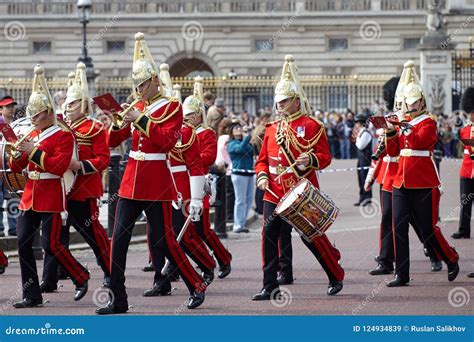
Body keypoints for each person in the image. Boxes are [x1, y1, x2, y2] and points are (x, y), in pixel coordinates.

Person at [96, 33, 207, 314]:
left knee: (165, 240)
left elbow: (168, 141)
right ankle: (117, 298)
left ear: (155, 81)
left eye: (143, 83)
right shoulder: (137, 107)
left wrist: (141, 119)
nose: (139, 89)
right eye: (136, 85)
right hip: (132, 179)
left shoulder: (170, 106)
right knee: (117, 240)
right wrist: (116, 120)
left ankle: (195, 284)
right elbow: (111, 141)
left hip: (157, 180)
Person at [252, 55, 344, 300]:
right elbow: (262, 160)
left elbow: (325, 156)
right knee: (268, 237)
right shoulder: (271, 129)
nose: (279, 106)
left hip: (300, 191)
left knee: (310, 236)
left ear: (295, 101)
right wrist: (261, 177)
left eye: (284, 102)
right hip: (273, 191)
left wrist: (310, 160)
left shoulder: (311, 126)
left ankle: (335, 273)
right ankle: (269, 284)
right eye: (278, 102)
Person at [11, 65, 90, 308]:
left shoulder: (63, 135)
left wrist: (32, 152)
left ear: (47, 113)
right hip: (30, 195)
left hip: (52, 194)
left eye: (36, 115)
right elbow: (17, 168)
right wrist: (16, 154)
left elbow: (57, 167)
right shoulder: (33, 135)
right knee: (23, 242)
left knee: (52, 244)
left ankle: (80, 276)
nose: (32, 120)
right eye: (31, 116)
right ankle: (32, 294)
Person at [385, 60, 459, 287]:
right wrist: (389, 133)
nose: (411, 105)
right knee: (398, 226)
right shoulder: (402, 122)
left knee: (428, 229)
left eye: (414, 102)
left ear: (421, 102)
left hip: (423, 182)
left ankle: (450, 257)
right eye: (409, 102)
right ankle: (402, 273)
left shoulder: (428, 122)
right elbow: (393, 151)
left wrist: (403, 127)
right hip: (401, 181)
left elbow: (422, 142)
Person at [40, 62, 111, 293]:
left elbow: (103, 159)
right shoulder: (60, 127)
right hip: (59, 189)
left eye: (72, 104)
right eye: (66, 104)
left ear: (82, 105)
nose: (67, 108)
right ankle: (50, 279)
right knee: (54, 237)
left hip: (83, 189)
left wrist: (79, 165)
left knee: (93, 235)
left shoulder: (95, 128)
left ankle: (111, 272)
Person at [155, 76, 216, 289]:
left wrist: (195, 196)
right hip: (163, 184)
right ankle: (164, 278)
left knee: (184, 235)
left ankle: (207, 265)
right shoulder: (157, 127)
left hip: (182, 186)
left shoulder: (187, 133)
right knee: (162, 235)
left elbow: (196, 164)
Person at [184, 80, 233, 279]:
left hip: (199, 181)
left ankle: (222, 258)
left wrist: (188, 159)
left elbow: (209, 157)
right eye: (184, 115)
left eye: (189, 115)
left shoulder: (206, 133)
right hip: (182, 182)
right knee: (184, 230)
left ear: (198, 115)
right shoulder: (183, 132)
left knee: (202, 228)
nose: (186, 119)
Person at [452, 86, 474, 241]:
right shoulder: (464, 130)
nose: (472, 114)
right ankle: (464, 229)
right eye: (471, 112)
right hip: (466, 171)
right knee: (465, 202)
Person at [228, 122, 255, 233]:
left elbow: (252, 151)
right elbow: (239, 149)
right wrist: (247, 137)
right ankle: (237, 225)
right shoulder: (231, 144)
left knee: (248, 200)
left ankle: (242, 223)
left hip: (249, 173)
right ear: (231, 131)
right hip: (238, 174)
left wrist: (250, 137)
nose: (239, 129)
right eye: (236, 128)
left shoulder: (245, 142)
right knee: (240, 200)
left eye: (240, 127)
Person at [0, 95, 18, 236]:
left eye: (12, 106)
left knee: (13, 196)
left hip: (12, 164)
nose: (11, 109)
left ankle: (14, 228)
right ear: (1, 109)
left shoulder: (17, 124)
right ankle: (0, 229)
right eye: (8, 106)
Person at [354, 113, 372, 206]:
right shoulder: (361, 132)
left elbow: (360, 146)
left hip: (365, 160)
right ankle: (362, 198)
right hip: (361, 160)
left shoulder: (365, 133)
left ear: (361, 123)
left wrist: (357, 139)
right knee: (360, 180)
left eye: (357, 122)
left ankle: (367, 198)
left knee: (365, 179)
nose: (355, 124)